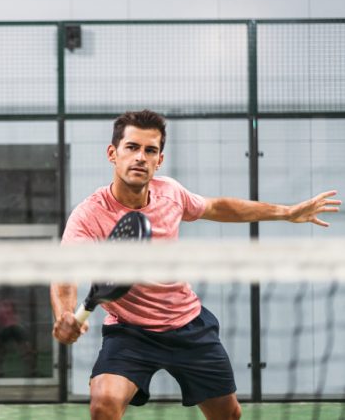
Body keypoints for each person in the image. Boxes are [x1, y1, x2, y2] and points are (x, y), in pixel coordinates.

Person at [50, 110, 341, 420]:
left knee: (228, 415)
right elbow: (65, 272)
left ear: (159, 160)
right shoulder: (89, 214)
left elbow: (218, 207)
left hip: (188, 326)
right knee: (103, 406)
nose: (140, 157)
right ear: (113, 153)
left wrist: (285, 212)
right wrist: (65, 315)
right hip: (129, 332)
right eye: (132, 147)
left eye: (150, 150)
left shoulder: (171, 194)